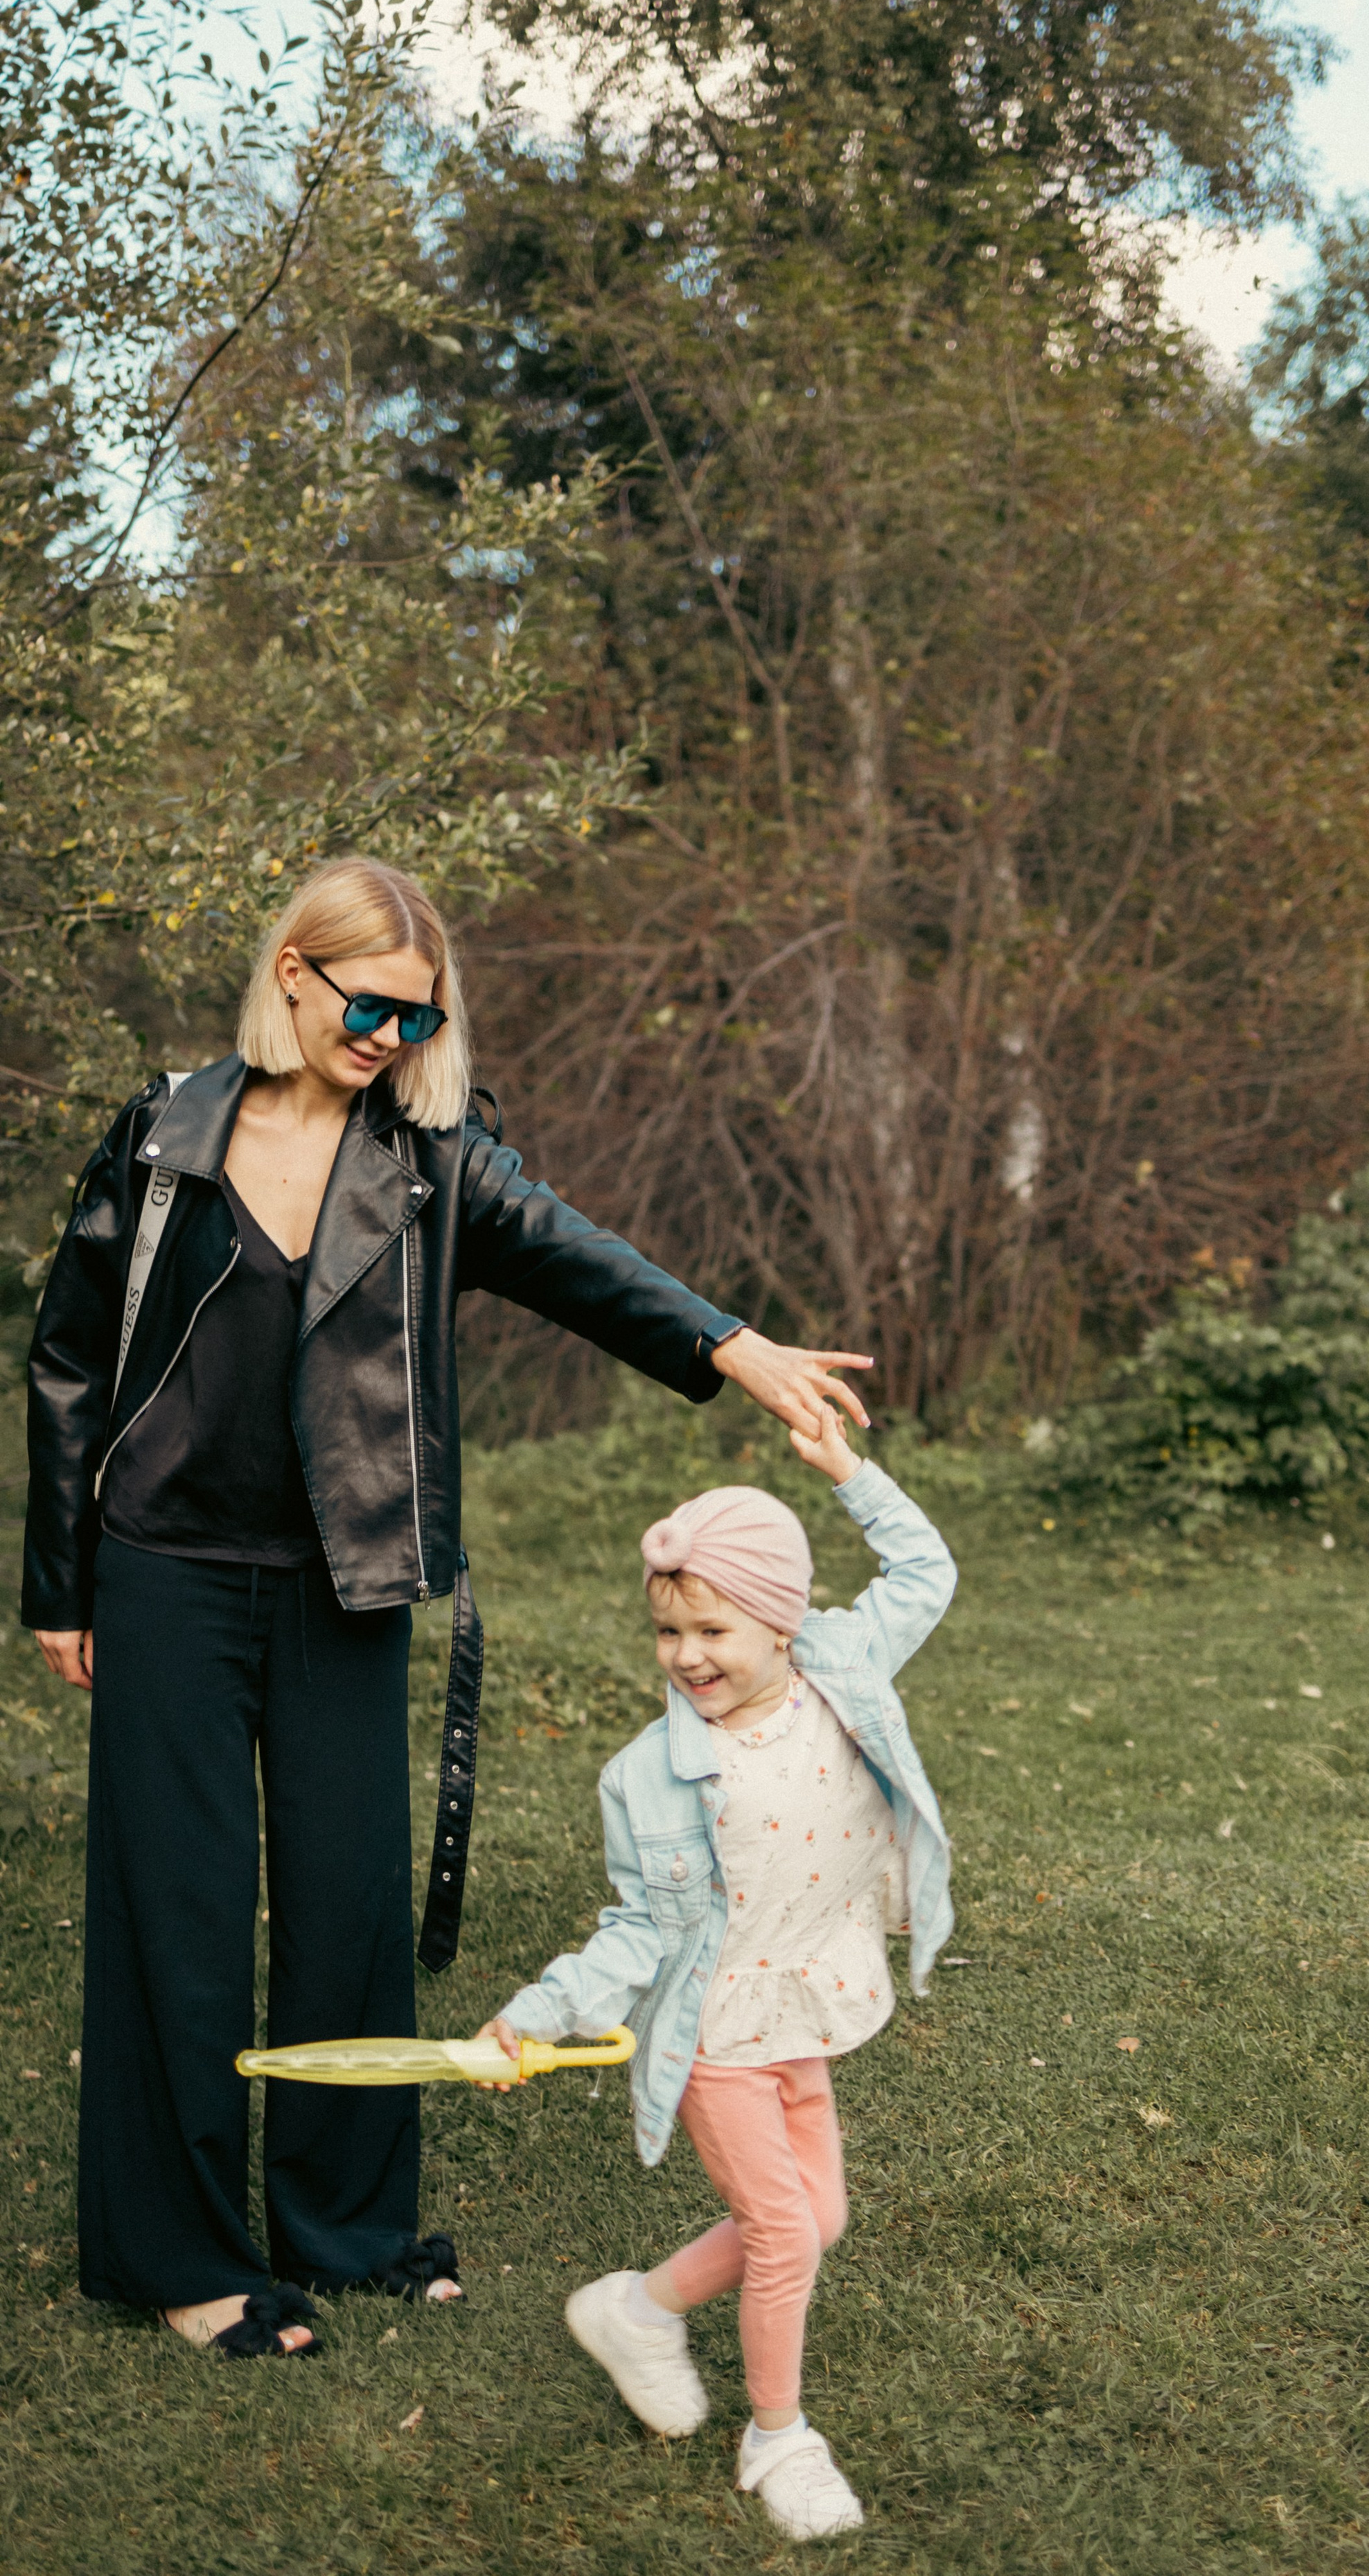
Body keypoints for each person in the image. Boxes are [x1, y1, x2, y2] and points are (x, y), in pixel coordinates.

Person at [23, 857, 872, 2360]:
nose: (389, 1037)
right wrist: (60, 1586)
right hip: (164, 1569)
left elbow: (578, 1261)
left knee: (349, 1908)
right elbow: (71, 1363)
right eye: (367, 1004)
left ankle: (347, 2235)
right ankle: (186, 2259)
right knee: (182, 1914)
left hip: (345, 1578)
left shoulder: (428, 1160)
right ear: (289, 972)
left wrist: (738, 1350)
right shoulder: (162, 1137)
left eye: (417, 1018)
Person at [474, 1401, 955, 2542]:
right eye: (667, 1634)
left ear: (783, 1624)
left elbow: (925, 1569)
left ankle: (636, 2310)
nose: (687, 1657)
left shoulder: (842, 1663)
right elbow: (636, 1927)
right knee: (785, 2234)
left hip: (805, 1995)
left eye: (714, 1631)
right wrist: (539, 2015)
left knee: (818, 2217)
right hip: (719, 2028)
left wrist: (846, 1470)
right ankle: (777, 2437)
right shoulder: (653, 1777)